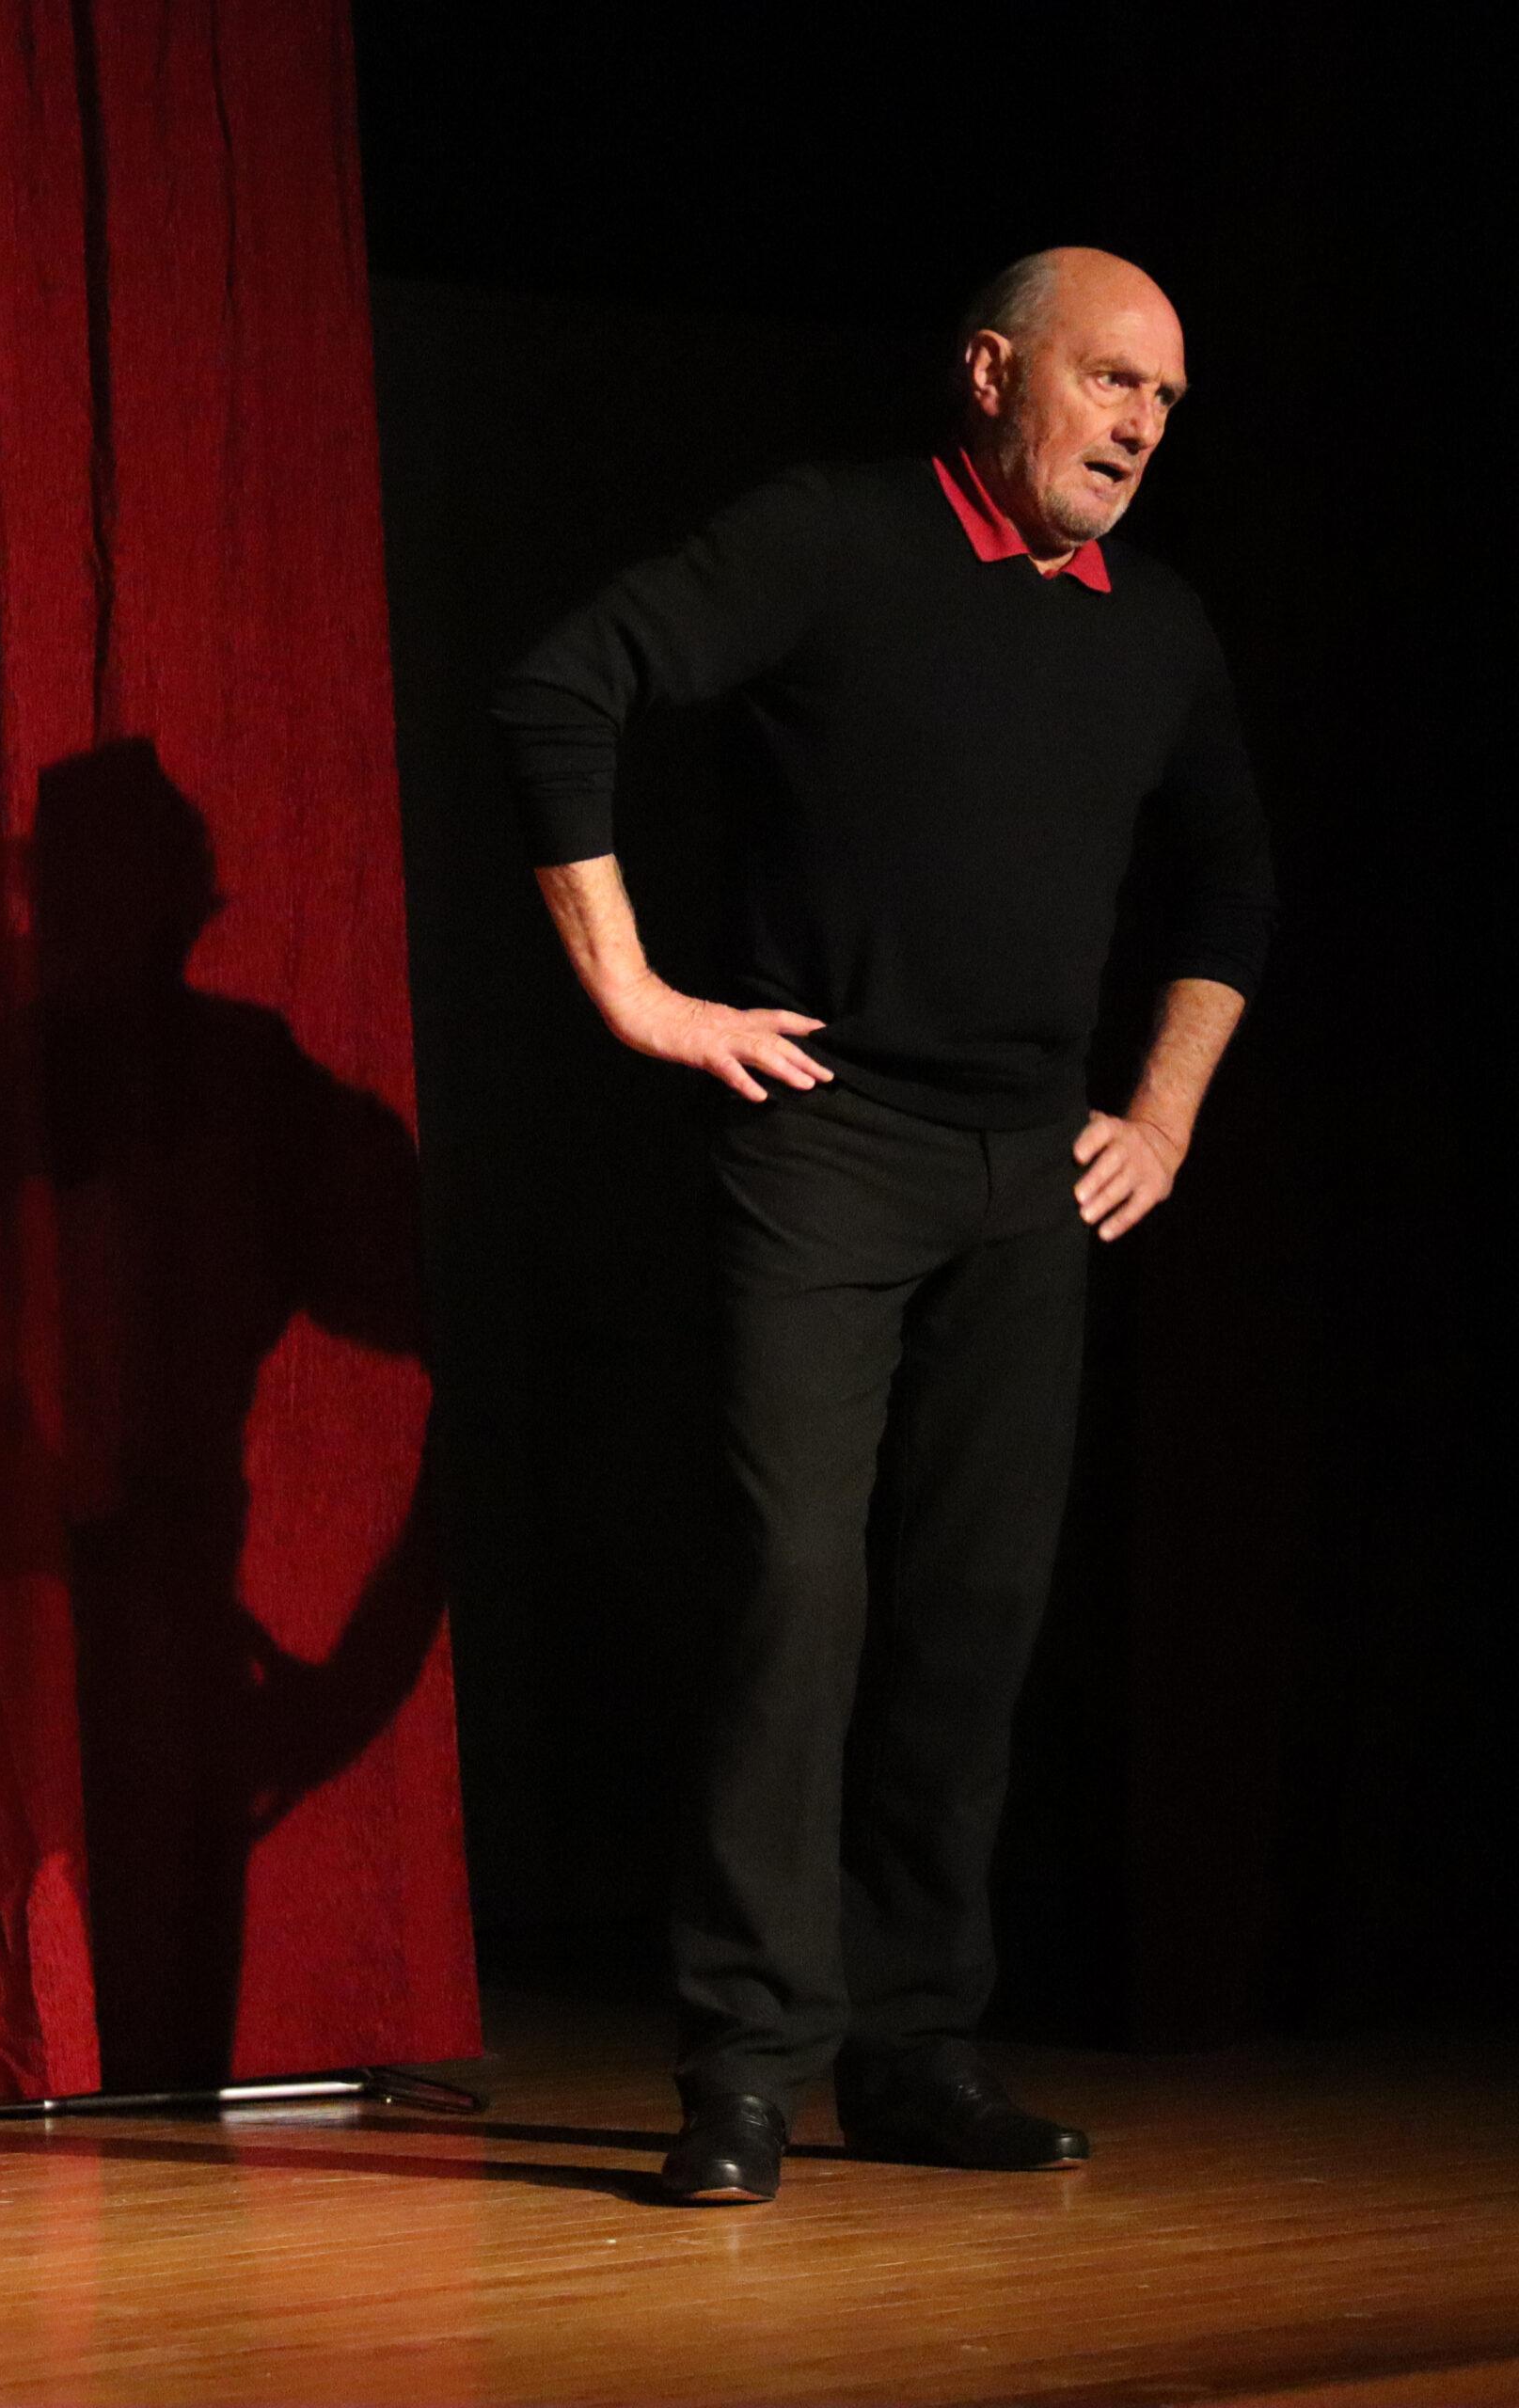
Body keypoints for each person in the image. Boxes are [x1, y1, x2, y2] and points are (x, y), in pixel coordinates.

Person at [491, 247, 1274, 2203]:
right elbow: (561, 681)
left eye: (1163, 404)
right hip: (825, 1142)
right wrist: (634, 989)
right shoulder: (832, 537)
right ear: (992, 370)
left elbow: (1231, 884)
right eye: (1108, 382)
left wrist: (1158, 1110)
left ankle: (915, 2049)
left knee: (972, 1613)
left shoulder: (1150, 622)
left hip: (1029, 1171)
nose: (1134, 427)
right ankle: (747, 2063)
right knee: (793, 1593)